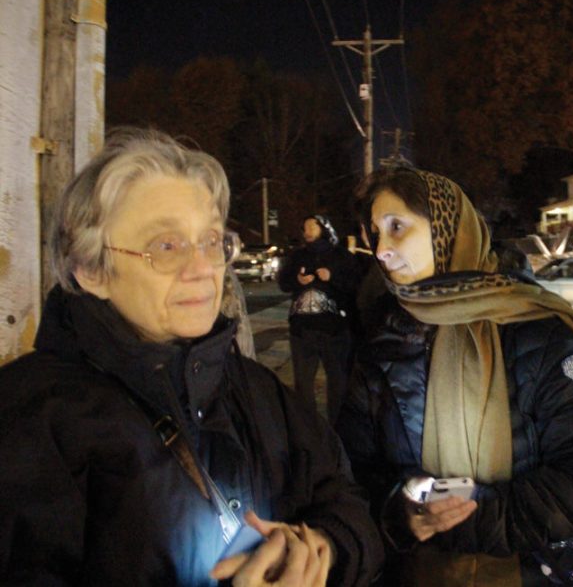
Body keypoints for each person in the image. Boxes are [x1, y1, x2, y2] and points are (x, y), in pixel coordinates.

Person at [0, 129, 383, 585]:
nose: (202, 268)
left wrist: (323, 551)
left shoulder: (257, 390)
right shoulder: (29, 420)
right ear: (89, 270)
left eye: (212, 242)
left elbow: (345, 500)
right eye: (166, 246)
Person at [337, 167, 573, 586]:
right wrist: (402, 515)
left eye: (397, 227)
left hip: (531, 573)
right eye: (375, 233)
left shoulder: (533, 327)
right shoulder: (381, 342)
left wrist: (466, 517)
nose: (382, 249)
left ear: (448, 228)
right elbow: (350, 471)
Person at [278, 215, 358, 424]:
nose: (307, 231)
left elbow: (354, 286)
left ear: (324, 227)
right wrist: (297, 279)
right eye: (305, 228)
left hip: (334, 330)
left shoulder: (341, 256)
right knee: (303, 385)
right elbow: (283, 283)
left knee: (338, 383)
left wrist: (332, 278)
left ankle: (338, 428)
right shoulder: (297, 256)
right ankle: (309, 428)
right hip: (302, 331)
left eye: (312, 226)